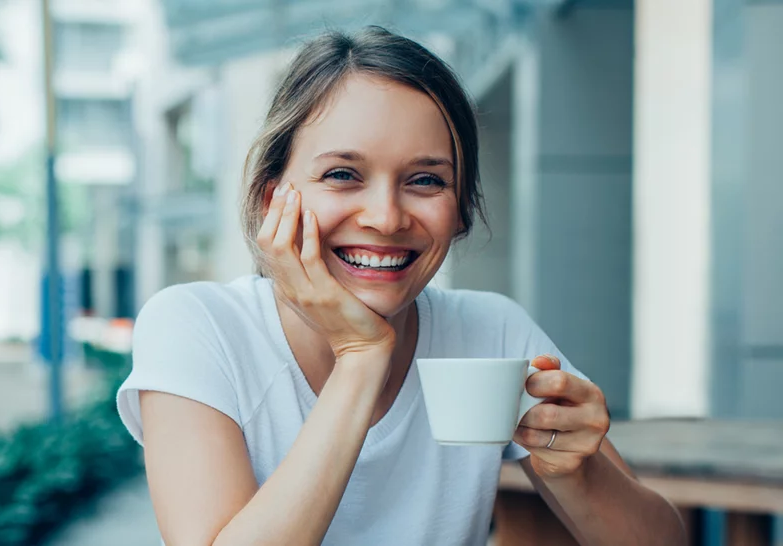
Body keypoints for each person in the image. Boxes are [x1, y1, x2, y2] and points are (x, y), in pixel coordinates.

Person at [116, 26, 686, 546]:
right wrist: (361, 356)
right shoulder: (197, 325)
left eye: (425, 180)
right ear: (273, 198)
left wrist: (576, 470)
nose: (386, 218)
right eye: (343, 174)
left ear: (460, 210)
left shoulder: (492, 330)